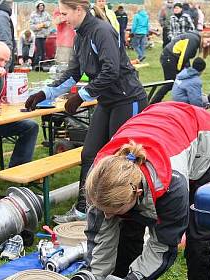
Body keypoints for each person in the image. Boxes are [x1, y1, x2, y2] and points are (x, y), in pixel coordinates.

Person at [69, 101, 210, 280]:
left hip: (207, 143)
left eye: (112, 211)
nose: (106, 216)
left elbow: (162, 246)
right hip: (161, 127)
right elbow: (101, 239)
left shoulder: (172, 186)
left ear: (136, 193)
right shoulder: (102, 177)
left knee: (199, 241)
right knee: (127, 229)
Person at [26, 0, 147, 224]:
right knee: (89, 154)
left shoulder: (102, 31)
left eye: (64, 13)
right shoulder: (80, 35)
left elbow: (111, 70)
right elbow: (73, 72)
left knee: (121, 158)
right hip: (106, 101)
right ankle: (84, 210)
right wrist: (45, 93)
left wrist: (81, 96)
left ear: (78, 10)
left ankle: (127, 209)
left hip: (127, 99)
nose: (62, 18)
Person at [0, 42, 38, 259]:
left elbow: (0, 100)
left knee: (31, 127)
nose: (4, 64)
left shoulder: (2, 74)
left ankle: (17, 172)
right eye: (0, 59)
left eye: (6, 60)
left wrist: (5, 98)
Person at [150, 31, 210, 103]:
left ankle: (190, 98)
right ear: (204, 36)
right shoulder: (194, 40)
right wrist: (181, 73)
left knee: (187, 78)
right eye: (208, 41)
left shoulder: (196, 40)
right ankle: (153, 102)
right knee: (170, 83)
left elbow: (186, 59)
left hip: (174, 58)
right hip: (169, 57)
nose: (207, 45)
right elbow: (183, 58)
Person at [30, 0, 52, 65]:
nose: (41, 7)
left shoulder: (46, 14)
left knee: (44, 50)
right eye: (40, 6)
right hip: (37, 36)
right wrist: (37, 27)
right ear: (37, 7)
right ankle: (37, 63)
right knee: (38, 50)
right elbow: (31, 25)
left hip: (44, 36)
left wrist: (44, 24)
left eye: (42, 6)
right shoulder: (33, 14)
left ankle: (43, 63)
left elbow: (49, 22)